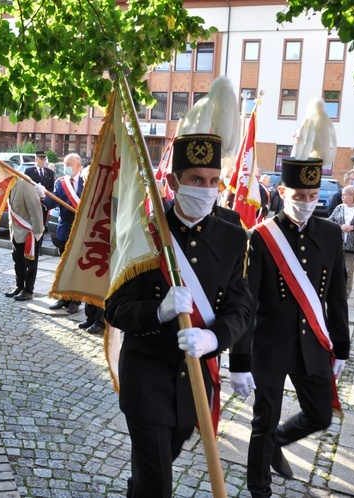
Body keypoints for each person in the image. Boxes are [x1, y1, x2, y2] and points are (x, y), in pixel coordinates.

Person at [104, 134, 252, 497]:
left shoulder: (233, 238)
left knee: (157, 465)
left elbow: (241, 307)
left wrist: (215, 338)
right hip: (147, 377)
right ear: (173, 182)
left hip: (195, 382)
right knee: (157, 485)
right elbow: (115, 308)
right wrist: (158, 310)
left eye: (213, 181)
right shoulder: (144, 233)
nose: (206, 189)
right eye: (196, 180)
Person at [230, 157, 350, 498]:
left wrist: (341, 346)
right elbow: (247, 304)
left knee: (320, 415)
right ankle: (259, 490)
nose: (307, 202)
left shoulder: (329, 234)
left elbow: (337, 295)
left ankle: (278, 443)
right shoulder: (261, 236)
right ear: (282, 192)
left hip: (312, 342)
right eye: (300, 195)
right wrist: (239, 361)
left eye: (313, 195)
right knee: (263, 422)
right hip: (269, 346)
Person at [48, 153, 84, 314]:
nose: (66, 168)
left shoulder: (87, 182)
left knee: (76, 268)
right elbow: (52, 202)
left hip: (81, 232)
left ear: (78, 166)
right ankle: (63, 298)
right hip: (64, 231)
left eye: (69, 165)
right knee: (63, 267)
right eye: (64, 165)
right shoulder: (60, 183)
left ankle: (75, 301)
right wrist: (43, 195)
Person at [3, 180, 45, 302]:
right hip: (16, 231)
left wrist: (37, 232)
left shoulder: (24, 184)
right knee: (18, 261)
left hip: (29, 232)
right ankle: (19, 286)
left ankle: (28, 290)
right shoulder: (7, 185)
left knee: (30, 263)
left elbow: (35, 207)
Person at [23, 150, 57, 225]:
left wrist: (45, 199)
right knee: (32, 225)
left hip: (44, 203)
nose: (43, 161)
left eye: (44, 159)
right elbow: (25, 187)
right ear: (36, 159)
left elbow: (52, 187)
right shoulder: (29, 171)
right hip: (33, 202)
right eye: (41, 159)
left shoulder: (49, 172)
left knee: (42, 225)